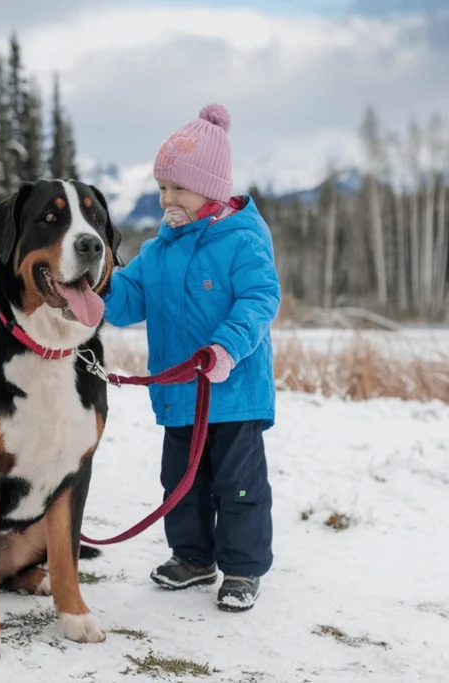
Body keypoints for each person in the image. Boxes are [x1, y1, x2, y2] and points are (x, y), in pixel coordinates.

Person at [103, 103, 281, 612]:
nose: (166, 199)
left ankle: (243, 568)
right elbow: (125, 299)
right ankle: (194, 557)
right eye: (162, 188)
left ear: (212, 189)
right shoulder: (159, 250)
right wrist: (93, 286)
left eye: (177, 188)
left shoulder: (242, 240)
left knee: (238, 486)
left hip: (234, 396)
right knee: (180, 482)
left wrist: (225, 346)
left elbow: (260, 299)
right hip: (180, 396)